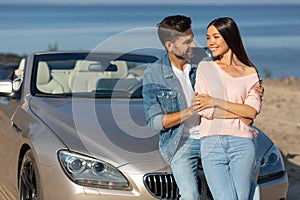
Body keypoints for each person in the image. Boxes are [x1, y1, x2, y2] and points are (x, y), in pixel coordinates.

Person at [142, 15, 263, 200]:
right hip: (181, 142)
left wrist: (254, 84)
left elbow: (231, 55)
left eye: (193, 38)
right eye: (187, 42)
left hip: (216, 132)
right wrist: (190, 111)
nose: (193, 45)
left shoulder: (205, 57)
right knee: (190, 195)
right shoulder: (155, 74)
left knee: (248, 190)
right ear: (169, 46)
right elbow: (155, 122)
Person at [195, 17, 262, 200]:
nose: (210, 42)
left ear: (229, 36)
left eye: (215, 37)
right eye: (208, 37)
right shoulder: (205, 68)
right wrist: (239, 111)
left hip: (243, 144)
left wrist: (215, 101)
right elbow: (203, 109)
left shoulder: (250, 73)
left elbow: (250, 114)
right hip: (211, 143)